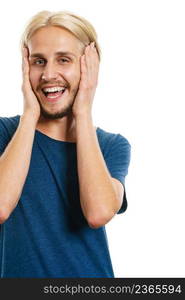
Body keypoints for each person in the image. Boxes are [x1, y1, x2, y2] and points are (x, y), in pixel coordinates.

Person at [0, 10, 131, 278]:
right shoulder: (6, 132)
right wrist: (29, 115)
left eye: (63, 60)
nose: (49, 74)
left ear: (88, 66)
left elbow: (98, 212)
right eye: (38, 61)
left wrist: (83, 112)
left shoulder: (111, 145)